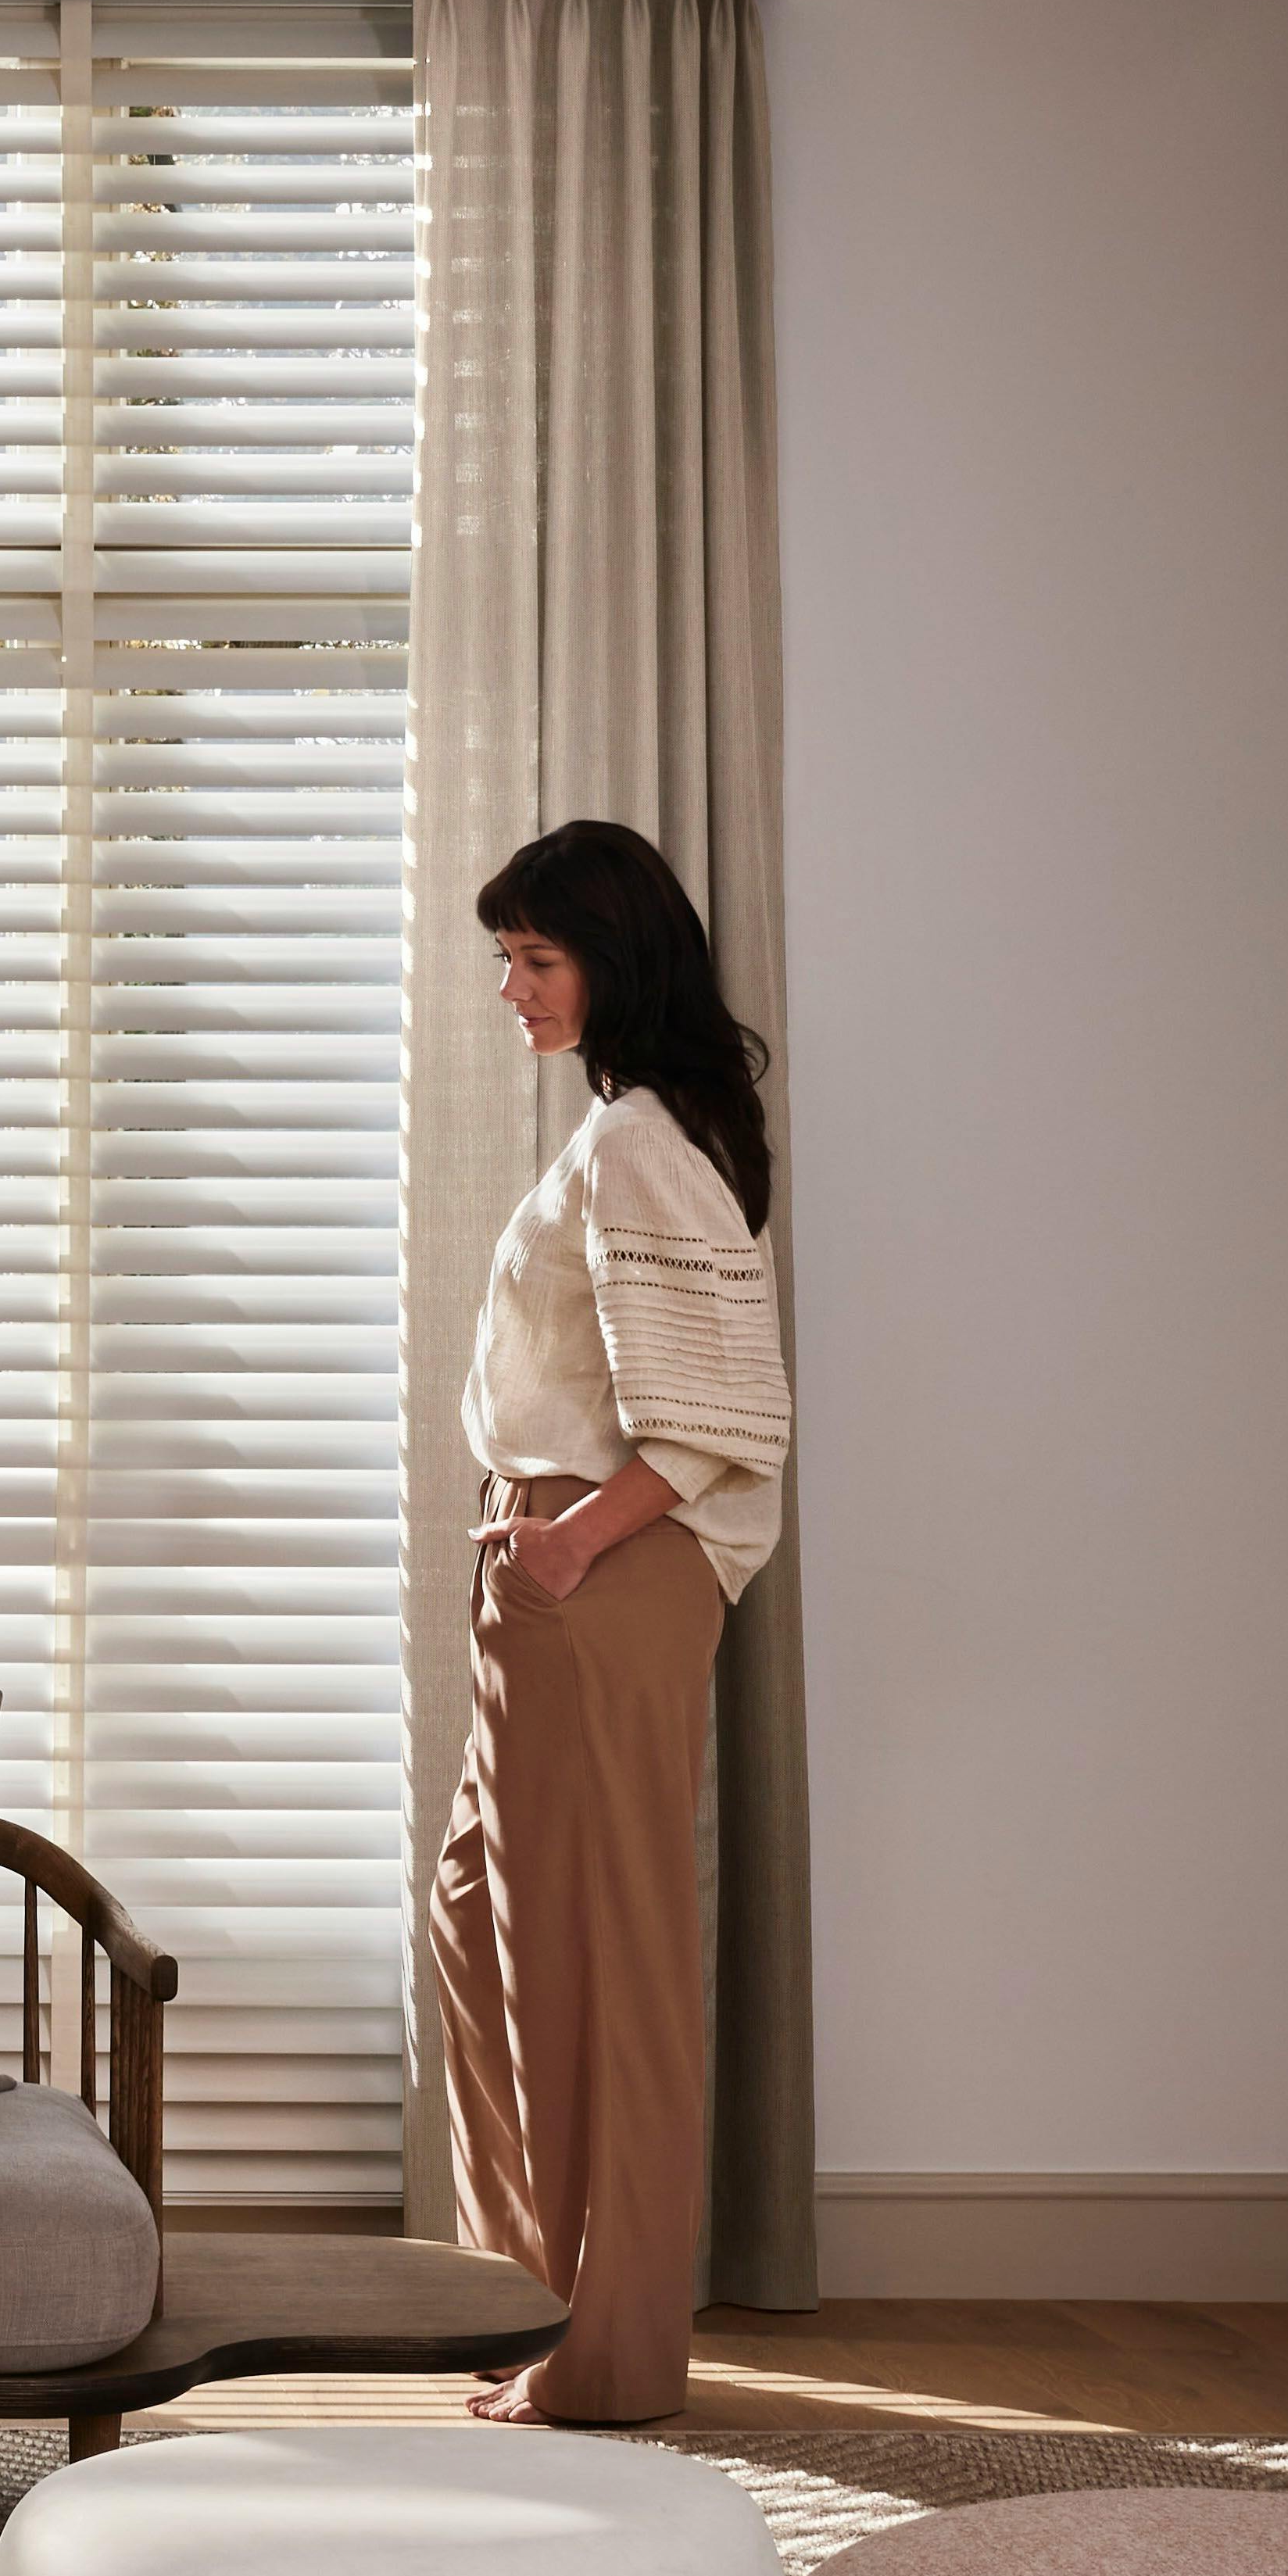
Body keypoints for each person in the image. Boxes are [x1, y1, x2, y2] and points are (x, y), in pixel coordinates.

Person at [431, 819, 792, 2424]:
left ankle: (597, 2347)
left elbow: (720, 1415)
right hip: (552, 1575)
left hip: (594, 1578)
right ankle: (519, 2309)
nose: (509, 990)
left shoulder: (637, 1139)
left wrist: (572, 1541)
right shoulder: (633, 1129)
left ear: (612, 961)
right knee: (489, 1931)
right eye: (503, 959)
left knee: (589, 1959)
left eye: (535, 958)